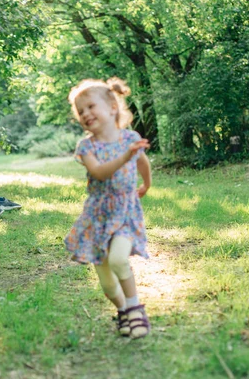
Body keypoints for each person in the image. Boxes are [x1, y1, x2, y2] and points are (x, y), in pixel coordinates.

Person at [63, 77, 153, 339]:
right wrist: (126, 156)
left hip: (125, 211)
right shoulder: (86, 147)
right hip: (97, 216)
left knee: (118, 259)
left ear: (113, 106)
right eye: (81, 111)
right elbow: (100, 173)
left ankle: (136, 309)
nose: (86, 114)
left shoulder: (130, 138)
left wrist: (146, 184)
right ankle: (123, 310)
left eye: (91, 106)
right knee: (106, 282)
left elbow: (143, 161)